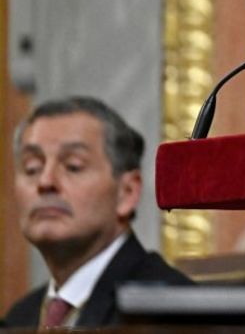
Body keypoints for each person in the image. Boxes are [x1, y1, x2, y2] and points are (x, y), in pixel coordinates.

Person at [5, 96, 192, 329]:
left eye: (73, 166)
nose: (45, 181)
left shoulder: (167, 311)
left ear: (127, 192)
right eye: (32, 167)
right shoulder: (19, 318)